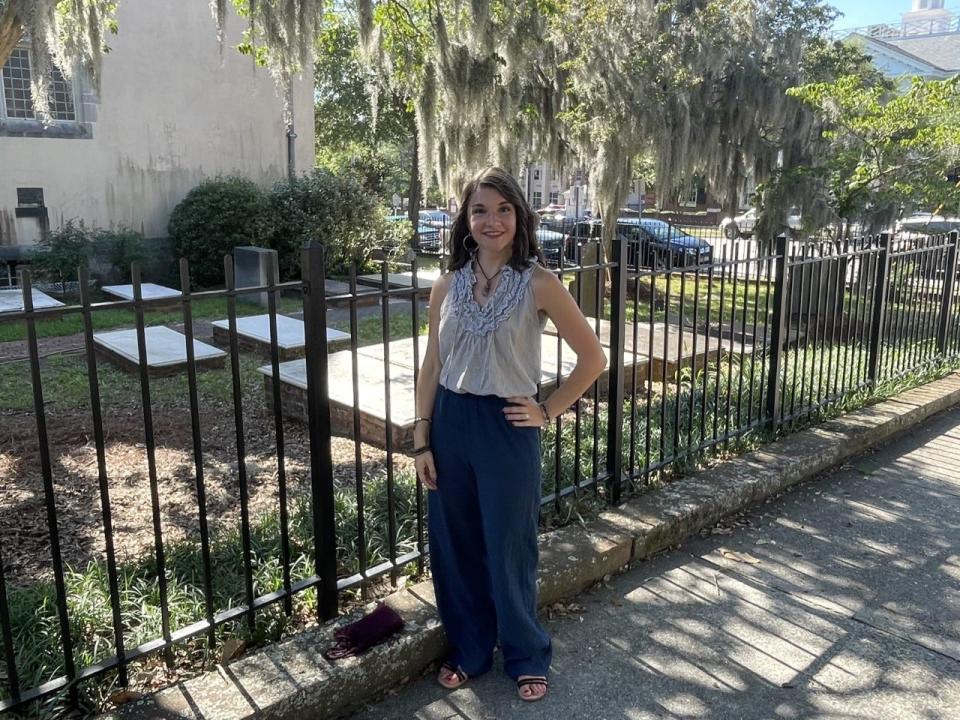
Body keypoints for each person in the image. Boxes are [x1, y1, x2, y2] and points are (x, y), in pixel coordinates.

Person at [413, 167, 606, 702]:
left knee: (508, 545)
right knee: (455, 545)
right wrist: (422, 437)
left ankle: (525, 652)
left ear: (520, 216)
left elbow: (592, 359)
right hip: (450, 423)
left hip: (507, 426)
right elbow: (432, 365)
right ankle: (471, 648)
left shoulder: (540, 283)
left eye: (503, 209)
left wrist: (547, 410)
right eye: (480, 210)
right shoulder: (447, 285)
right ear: (465, 219)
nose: (491, 220)